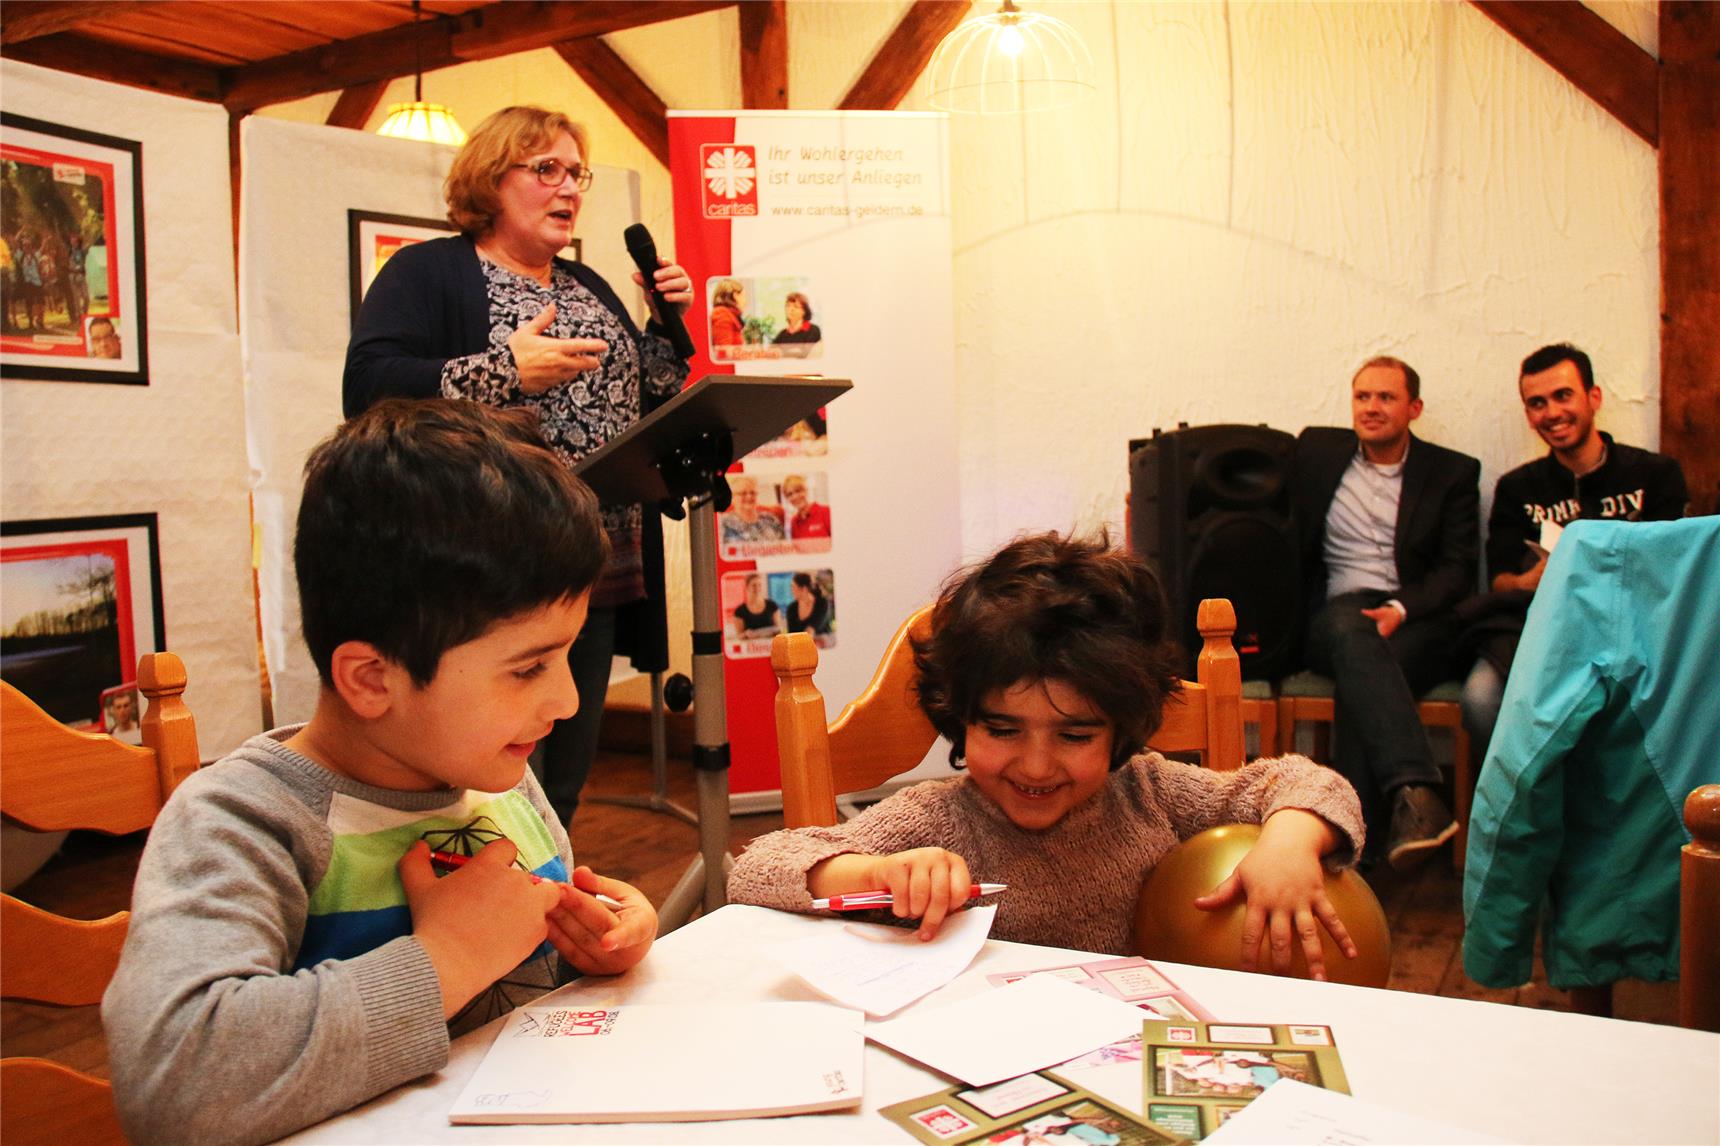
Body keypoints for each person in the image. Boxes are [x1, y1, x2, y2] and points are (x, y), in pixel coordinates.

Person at [102, 400, 658, 1146]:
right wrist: (447, 958)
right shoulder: (245, 821)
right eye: (528, 668)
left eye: (566, 655)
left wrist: (594, 943)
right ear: (371, 679)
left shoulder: (496, 774)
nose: (566, 700)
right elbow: (176, 1084)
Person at [727, 532, 1365, 978]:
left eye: (1075, 735)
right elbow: (756, 870)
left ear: (1121, 729)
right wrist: (872, 877)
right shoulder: (933, 820)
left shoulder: (1150, 791)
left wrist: (1289, 840)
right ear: (961, 715)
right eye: (1003, 731)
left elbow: (1306, 781)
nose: (1035, 767)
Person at [342, 105, 691, 829]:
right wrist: (503, 370)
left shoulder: (586, 284)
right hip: (493, 566)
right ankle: (482, 911)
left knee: (564, 772)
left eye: (576, 173)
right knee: (494, 776)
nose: (568, 188)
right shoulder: (429, 271)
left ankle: (546, 901)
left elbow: (642, 395)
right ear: (491, 180)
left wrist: (662, 324)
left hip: (594, 564)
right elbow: (367, 384)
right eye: (546, 170)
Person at [1291, 356, 1479, 869]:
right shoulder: (1316, 453)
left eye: (1386, 397)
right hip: (1335, 615)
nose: (1371, 408)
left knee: (1364, 675)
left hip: (1414, 619)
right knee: (1354, 634)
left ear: (1414, 407)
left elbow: (1458, 568)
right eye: (1362, 397)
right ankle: (1414, 786)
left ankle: (1358, 860)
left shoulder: (1452, 472)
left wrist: (1400, 607)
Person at [1458, 343, 1687, 758]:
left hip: (1632, 632)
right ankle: (1528, 812)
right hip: (1540, 631)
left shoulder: (1655, 474)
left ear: (1593, 397)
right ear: (1528, 415)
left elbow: (1673, 570)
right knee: (1479, 699)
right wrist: (1529, 580)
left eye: (1563, 396)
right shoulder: (1517, 487)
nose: (1552, 412)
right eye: (1537, 403)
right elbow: (1499, 579)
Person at [719, 473, 786, 546]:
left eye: (753, 493)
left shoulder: (770, 518)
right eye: (743, 493)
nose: (749, 497)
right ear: (732, 498)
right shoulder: (723, 522)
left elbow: (784, 546)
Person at [782, 473, 832, 542]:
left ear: (806, 490)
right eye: (790, 494)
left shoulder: (826, 512)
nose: (795, 497)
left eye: (798, 491)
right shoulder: (794, 522)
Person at [730, 572, 782, 638]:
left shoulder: (772, 606)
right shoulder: (739, 611)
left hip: (770, 645)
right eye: (754, 585)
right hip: (751, 647)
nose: (757, 588)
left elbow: (779, 630)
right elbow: (739, 636)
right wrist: (745, 634)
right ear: (747, 587)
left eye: (759, 585)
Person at [785, 571, 831, 636]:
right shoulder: (791, 608)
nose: (791, 590)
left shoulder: (822, 603)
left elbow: (812, 628)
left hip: (824, 644)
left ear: (804, 589)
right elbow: (791, 634)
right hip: (801, 645)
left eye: (793, 587)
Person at [709, 277, 745, 348]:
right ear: (735, 296)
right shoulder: (722, 315)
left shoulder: (729, 314)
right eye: (743, 295)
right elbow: (723, 351)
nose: (745, 301)